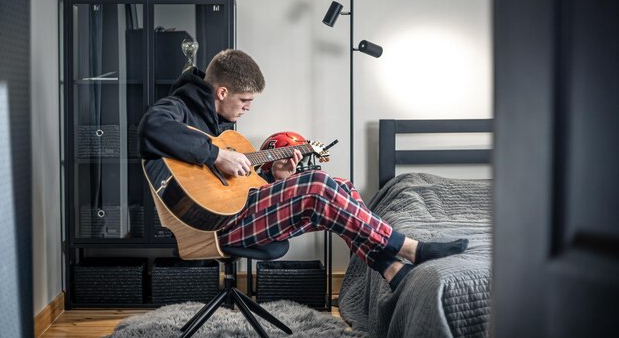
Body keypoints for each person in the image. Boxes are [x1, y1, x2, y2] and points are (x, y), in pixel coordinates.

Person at [138, 49, 468, 291]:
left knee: (341, 186)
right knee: (317, 184)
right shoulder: (179, 107)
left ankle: (392, 269)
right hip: (211, 227)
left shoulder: (219, 125)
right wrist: (216, 155)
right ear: (221, 92)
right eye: (244, 100)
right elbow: (150, 128)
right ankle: (407, 247)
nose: (248, 108)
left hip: (236, 211)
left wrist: (274, 177)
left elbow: (237, 187)